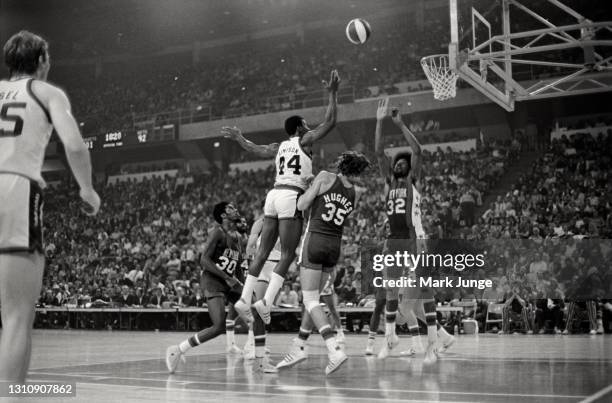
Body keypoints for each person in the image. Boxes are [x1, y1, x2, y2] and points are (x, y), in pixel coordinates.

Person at [0, 31, 101, 382]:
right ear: (42, 62)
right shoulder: (46, 92)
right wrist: (88, 190)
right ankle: (13, 396)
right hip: (15, 188)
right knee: (16, 316)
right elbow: (74, 145)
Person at [223, 69, 340, 326]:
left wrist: (240, 138)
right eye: (306, 124)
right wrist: (332, 94)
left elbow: (255, 149)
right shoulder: (305, 139)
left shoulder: (278, 147)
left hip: (272, 196)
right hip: (290, 196)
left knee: (263, 252)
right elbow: (330, 122)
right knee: (287, 254)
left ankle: (244, 299)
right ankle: (266, 302)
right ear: (299, 128)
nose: (309, 127)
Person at [276, 151, 369, 375]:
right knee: (314, 300)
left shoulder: (325, 176)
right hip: (334, 247)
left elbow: (301, 205)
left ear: (341, 163)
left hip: (315, 240)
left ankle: (333, 347)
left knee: (308, 299)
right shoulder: (356, 192)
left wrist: (310, 187)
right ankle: (299, 346)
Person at [374, 97, 451, 364]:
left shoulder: (413, 181)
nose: (399, 163)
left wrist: (400, 124)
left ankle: (431, 345)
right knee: (391, 290)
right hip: (392, 240)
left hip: (414, 238)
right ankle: (390, 338)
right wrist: (379, 122)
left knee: (424, 293)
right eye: (396, 162)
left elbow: (417, 151)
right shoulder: (388, 181)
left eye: (402, 163)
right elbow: (378, 151)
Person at [165, 202, 244, 373]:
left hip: (229, 282)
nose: (235, 209)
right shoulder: (217, 233)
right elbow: (204, 260)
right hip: (213, 282)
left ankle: (242, 345)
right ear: (223, 215)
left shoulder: (237, 237)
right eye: (230, 208)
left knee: (250, 303)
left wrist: (242, 284)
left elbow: (237, 266)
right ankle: (178, 349)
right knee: (218, 327)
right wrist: (227, 278)